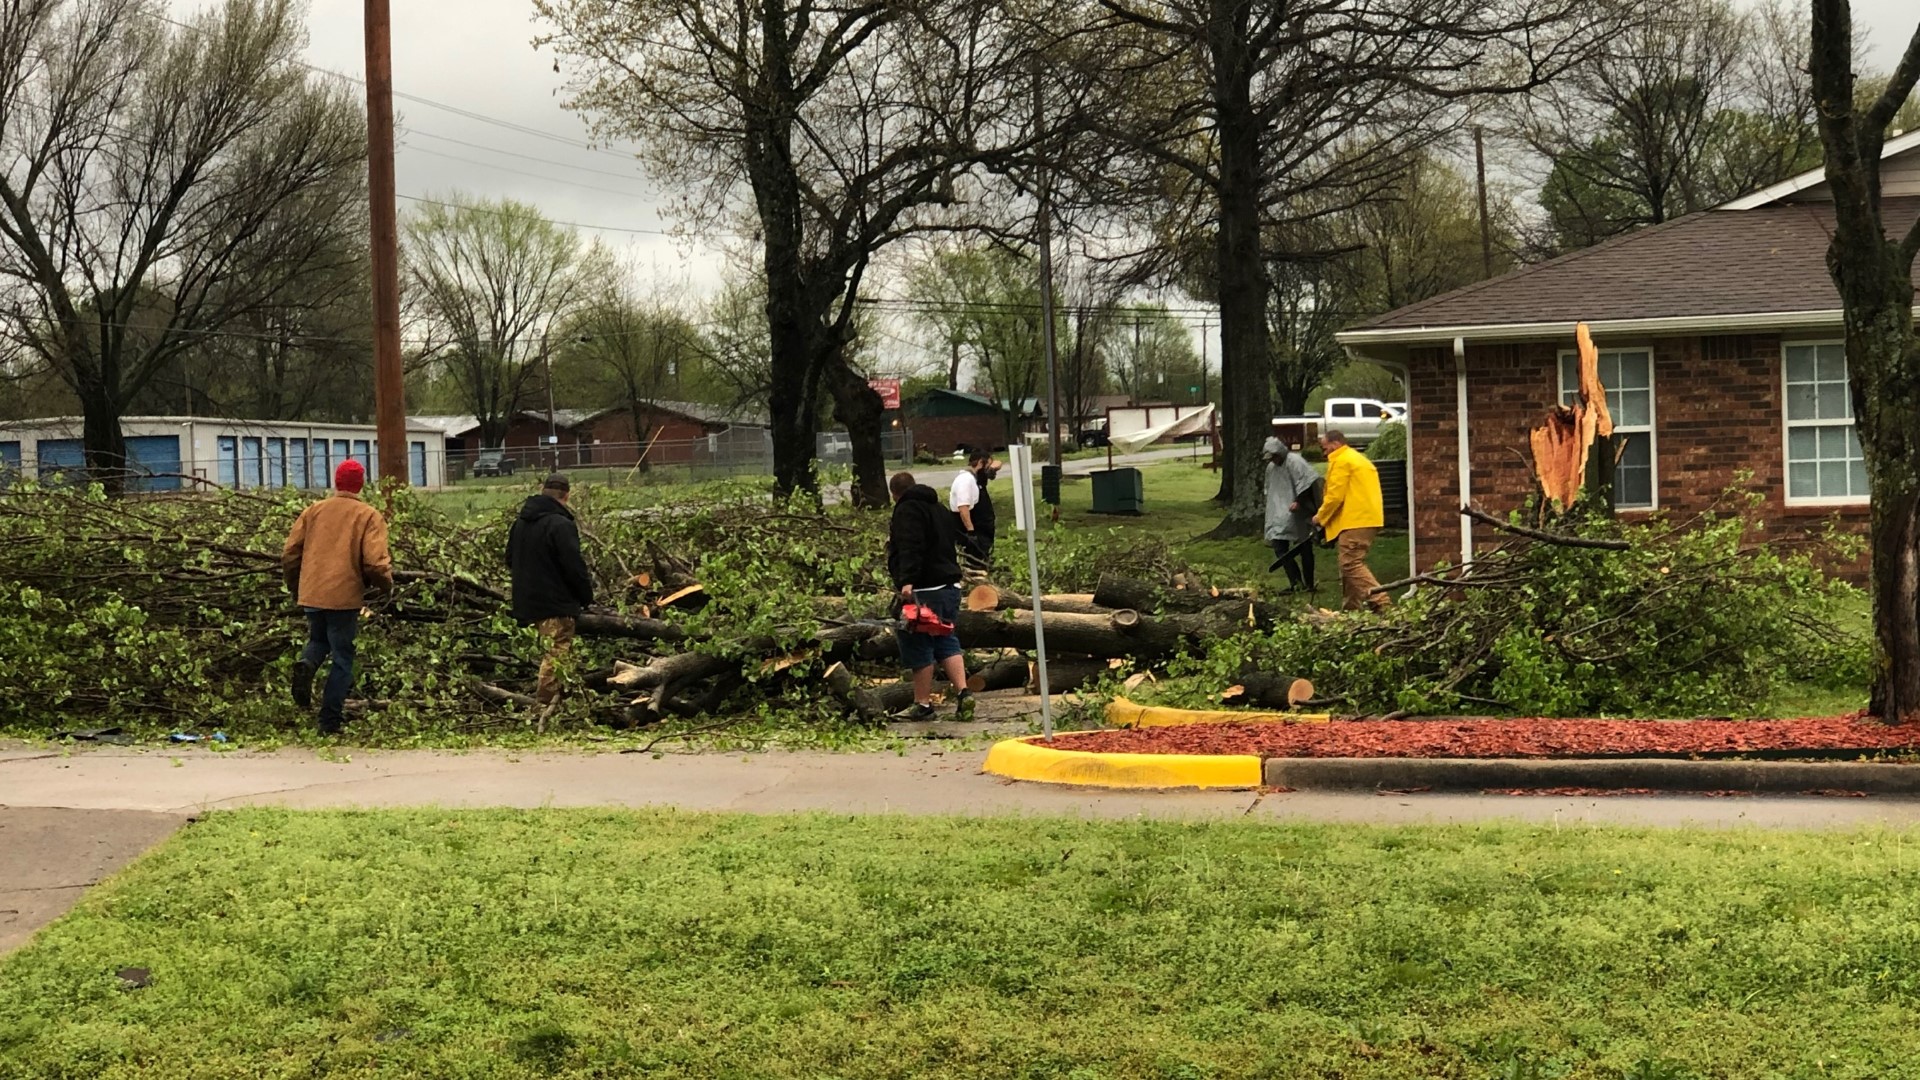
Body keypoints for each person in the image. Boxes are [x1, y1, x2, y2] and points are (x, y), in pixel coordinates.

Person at [283, 459, 393, 735]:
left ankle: (307, 664)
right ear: (361, 484)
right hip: (343, 598)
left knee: (318, 640)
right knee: (343, 657)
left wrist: (297, 587)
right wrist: (386, 588)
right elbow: (375, 563)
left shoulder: (313, 512)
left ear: (336, 481)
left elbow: (290, 554)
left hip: (311, 593)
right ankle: (329, 722)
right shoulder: (368, 515)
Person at [887, 470, 972, 720]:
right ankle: (964, 693)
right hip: (949, 586)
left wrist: (907, 581)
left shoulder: (908, 510)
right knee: (946, 638)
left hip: (924, 589)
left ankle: (922, 704)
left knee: (916, 640)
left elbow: (912, 545)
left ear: (895, 494)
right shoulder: (939, 508)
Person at [506, 473, 596, 708]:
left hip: (526, 602)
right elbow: (574, 567)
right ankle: (545, 707)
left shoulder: (520, 523)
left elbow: (509, 559)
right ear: (566, 495)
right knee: (557, 652)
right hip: (555, 604)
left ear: (542, 490)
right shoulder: (561, 525)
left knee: (549, 653)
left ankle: (562, 699)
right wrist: (586, 597)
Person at [1314, 430, 1390, 613]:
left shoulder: (1342, 461)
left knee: (1350, 563)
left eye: (1325, 448)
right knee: (1347, 566)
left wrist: (1320, 517)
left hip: (1355, 520)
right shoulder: (1358, 459)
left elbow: (1334, 496)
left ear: (1335, 444)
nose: (1324, 454)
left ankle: (1381, 601)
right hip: (1368, 517)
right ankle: (1351, 610)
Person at [1263, 429, 1323, 593]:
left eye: (1275, 456)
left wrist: (1299, 501)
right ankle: (1295, 582)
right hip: (1281, 511)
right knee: (1279, 546)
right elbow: (1271, 489)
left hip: (1300, 511)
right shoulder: (1271, 468)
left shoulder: (1295, 461)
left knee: (1304, 547)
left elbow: (1308, 482)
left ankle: (1309, 584)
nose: (1274, 460)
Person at [948, 448, 999, 564]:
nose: (988, 470)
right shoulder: (966, 480)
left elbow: (998, 464)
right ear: (981, 463)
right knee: (974, 563)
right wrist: (971, 533)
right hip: (971, 532)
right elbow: (963, 508)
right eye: (987, 466)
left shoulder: (975, 479)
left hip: (981, 532)